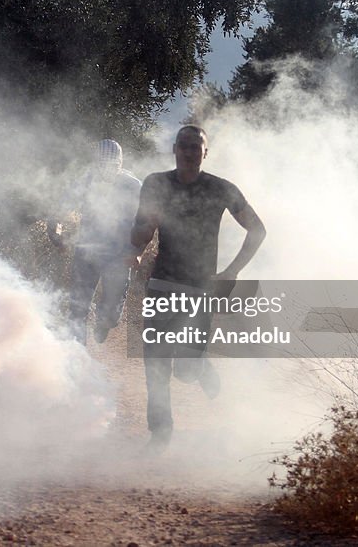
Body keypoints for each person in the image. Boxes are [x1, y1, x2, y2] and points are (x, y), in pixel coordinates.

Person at [129, 125, 266, 452]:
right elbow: (140, 232)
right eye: (184, 146)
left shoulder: (222, 189)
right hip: (162, 285)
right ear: (174, 149)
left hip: (201, 291)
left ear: (206, 152)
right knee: (157, 362)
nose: (190, 152)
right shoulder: (155, 183)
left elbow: (257, 230)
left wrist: (232, 271)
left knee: (187, 371)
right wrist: (139, 241)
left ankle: (200, 367)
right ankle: (160, 433)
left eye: (197, 147)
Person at [49, 139, 142, 344]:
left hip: (119, 255)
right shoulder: (84, 181)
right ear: (95, 163)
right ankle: (77, 359)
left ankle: (105, 321)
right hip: (86, 252)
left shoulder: (134, 186)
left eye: (112, 165)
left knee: (111, 314)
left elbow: (146, 221)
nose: (107, 170)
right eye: (103, 164)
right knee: (77, 310)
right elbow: (59, 210)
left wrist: (137, 252)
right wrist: (57, 235)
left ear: (120, 163)